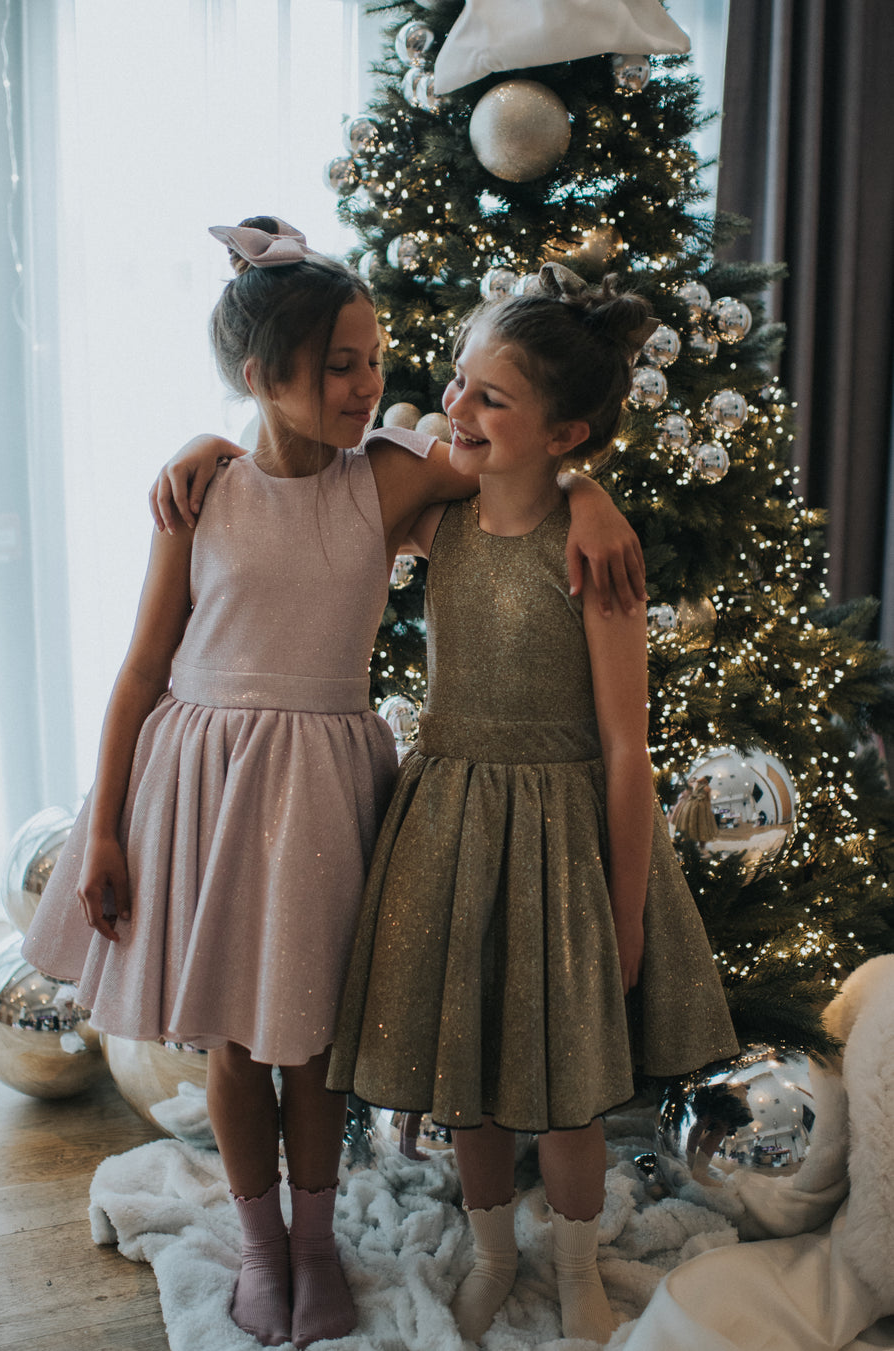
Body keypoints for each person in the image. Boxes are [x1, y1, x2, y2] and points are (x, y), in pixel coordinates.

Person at [23, 219, 645, 1350]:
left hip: (320, 791)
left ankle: (315, 1245)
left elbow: (521, 456)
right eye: (339, 364)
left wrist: (594, 492)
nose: (369, 383)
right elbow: (138, 671)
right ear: (262, 377)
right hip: (203, 786)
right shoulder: (202, 491)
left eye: (375, 358)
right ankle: (261, 1246)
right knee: (232, 1046)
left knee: (306, 1041)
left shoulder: (394, 481)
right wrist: (101, 828)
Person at [325, 263, 740, 1344]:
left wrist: (631, 904)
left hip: (560, 841)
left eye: (489, 398)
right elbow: (362, 451)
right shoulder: (440, 520)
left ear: (566, 435)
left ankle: (574, 1259)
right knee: (466, 1072)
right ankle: (495, 1248)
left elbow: (622, 742)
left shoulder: (591, 551)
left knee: (563, 1090)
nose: (457, 407)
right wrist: (212, 448)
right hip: (450, 826)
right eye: (459, 381)